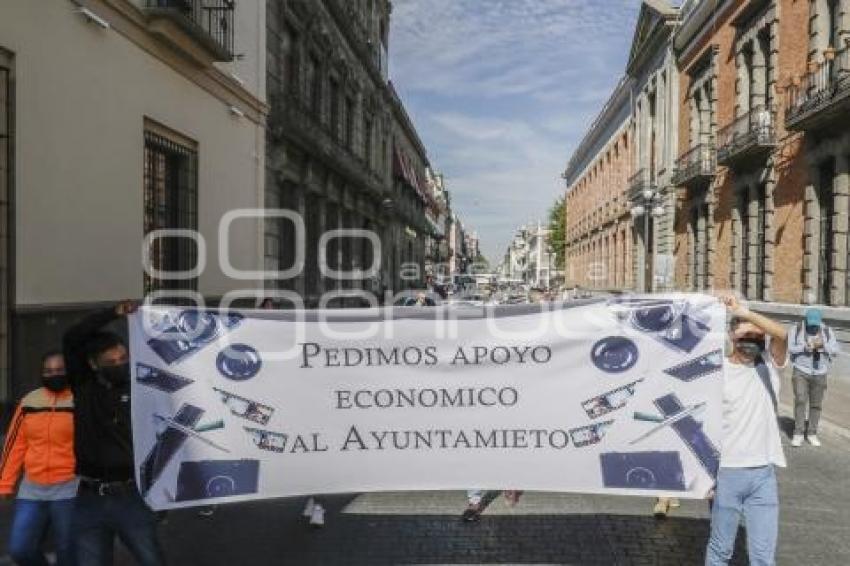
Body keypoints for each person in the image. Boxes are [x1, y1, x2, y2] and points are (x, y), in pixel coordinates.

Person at [64, 301, 165, 566]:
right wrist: (112, 313)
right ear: (93, 365)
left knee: (151, 559)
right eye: (111, 362)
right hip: (88, 498)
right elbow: (72, 338)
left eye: (123, 358)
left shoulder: (140, 386)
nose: (120, 364)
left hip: (131, 495)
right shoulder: (84, 387)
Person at [705, 295, 788, 566]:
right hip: (727, 472)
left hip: (764, 474)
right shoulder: (717, 371)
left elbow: (782, 333)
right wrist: (704, 476)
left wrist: (746, 313)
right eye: (746, 334)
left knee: (764, 557)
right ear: (731, 335)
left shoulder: (770, 367)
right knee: (720, 551)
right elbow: (705, 428)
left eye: (757, 335)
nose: (752, 340)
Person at [0, 352, 77, 566]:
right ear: (42, 374)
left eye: (59, 370)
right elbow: (15, 444)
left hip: (69, 487)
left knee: (67, 551)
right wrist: (5, 482)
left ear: (68, 371)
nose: (54, 375)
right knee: (20, 549)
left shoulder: (79, 400)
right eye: (48, 371)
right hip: (32, 488)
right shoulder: (29, 402)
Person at [788, 307, 839, 447]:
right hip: (801, 370)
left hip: (820, 372)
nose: (813, 327)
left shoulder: (827, 331)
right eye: (811, 324)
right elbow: (790, 348)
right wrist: (804, 347)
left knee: (816, 404)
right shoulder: (796, 329)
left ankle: (812, 433)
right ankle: (798, 432)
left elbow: (835, 350)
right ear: (806, 320)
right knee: (800, 400)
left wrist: (823, 346)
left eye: (816, 324)